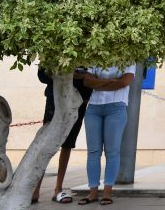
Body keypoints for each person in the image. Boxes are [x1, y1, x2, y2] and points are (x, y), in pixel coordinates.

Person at [31, 67, 93, 204]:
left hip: (78, 101)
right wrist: (65, 75)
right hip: (54, 99)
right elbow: (42, 75)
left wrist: (83, 85)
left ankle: (58, 189)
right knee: (45, 143)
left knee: (67, 144)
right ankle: (35, 189)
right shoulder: (52, 50)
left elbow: (92, 77)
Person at [77, 65, 136, 206]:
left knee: (112, 151)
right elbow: (87, 81)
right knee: (93, 151)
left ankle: (108, 191)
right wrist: (112, 82)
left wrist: (98, 82)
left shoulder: (128, 56)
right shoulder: (96, 54)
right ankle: (92, 192)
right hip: (93, 107)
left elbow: (125, 81)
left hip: (116, 107)